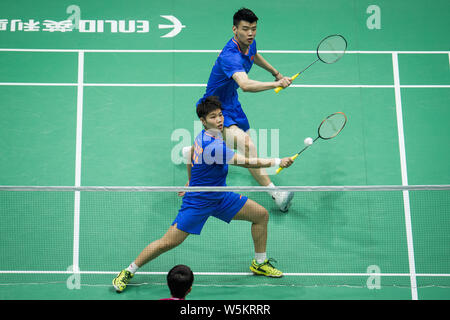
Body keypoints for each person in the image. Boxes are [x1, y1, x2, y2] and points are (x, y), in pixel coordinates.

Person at [112, 96, 293, 293]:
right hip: (198, 202)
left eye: (221, 115)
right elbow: (247, 162)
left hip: (220, 196)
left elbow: (189, 155)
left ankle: (259, 263)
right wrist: (277, 161)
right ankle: (128, 271)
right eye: (213, 117)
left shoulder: (206, 136)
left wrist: (190, 180)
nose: (219, 120)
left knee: (261, 215)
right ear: (203, 121)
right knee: (167, 242)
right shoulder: (214, 146)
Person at [197, 7, 294, 212]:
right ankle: (276, 194)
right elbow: (246, 85)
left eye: (254, 29)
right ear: (234, 29)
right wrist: (276, 84)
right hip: (215, 109)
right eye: (245, 29)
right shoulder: (229, 56)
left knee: (241, 144)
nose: (250, 33)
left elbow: (254, 55)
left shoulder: (249, 44)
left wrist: (275, 72)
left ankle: (194, 151)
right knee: (247, 146)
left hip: (232, 102)